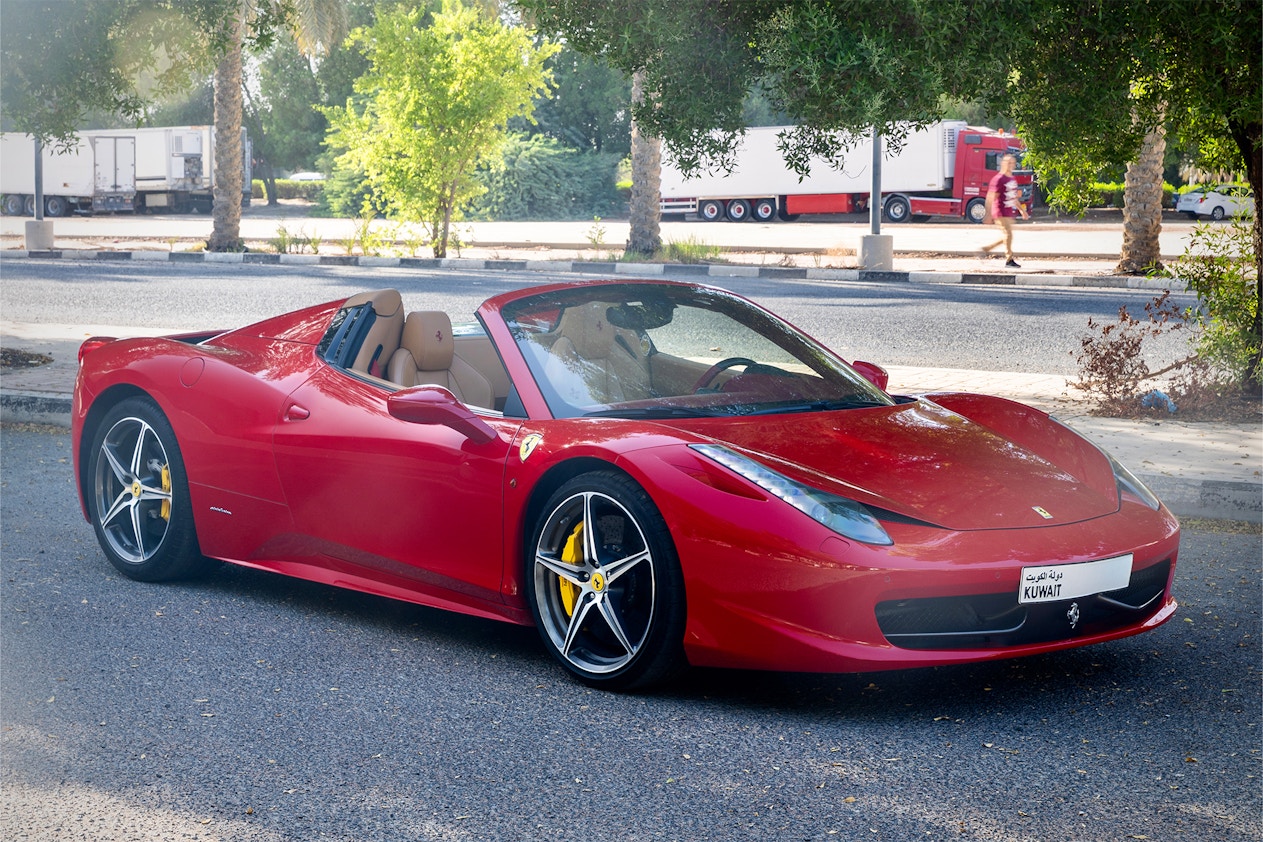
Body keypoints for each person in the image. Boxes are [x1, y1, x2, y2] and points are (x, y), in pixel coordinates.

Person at [981, 154, 1029, 268]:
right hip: (1000, 211)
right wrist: (988, 214)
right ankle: (1009, 260)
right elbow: (991, 196)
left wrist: (1022, 211)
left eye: (1012, 163)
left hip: (1008, 212)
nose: (1010, 165)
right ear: (1003, 164)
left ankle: (986, 249)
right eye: (1008, 163)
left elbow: (1013, 197)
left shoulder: (1012, 179)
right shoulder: (999, 179)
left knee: (1007, 236)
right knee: (1008, 234)